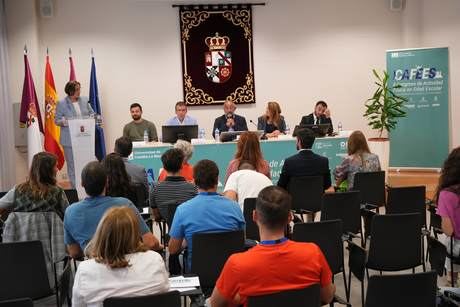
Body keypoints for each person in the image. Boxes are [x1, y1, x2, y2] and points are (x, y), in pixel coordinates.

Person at [210, 186, 335, 307]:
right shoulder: (313, 253)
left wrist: (241, 297)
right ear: (289, 218)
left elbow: (216, 304)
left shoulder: (237, 263)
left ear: (254, 216)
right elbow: (327, 296)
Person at [72, 206, 169, 306]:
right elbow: (165, 293)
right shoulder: (154, 260)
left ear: (102, 233)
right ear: (136, 233)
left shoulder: (86, 270)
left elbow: (78, 305)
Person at [63, 161, 161, 259]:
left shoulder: (70, 212)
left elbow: (74, 253)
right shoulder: (124, 205)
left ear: (82, 184)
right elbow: (151, 243)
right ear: (107, 182)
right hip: (126, 265)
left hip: (95, 268)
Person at [168, 159, 245, 272]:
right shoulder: (235, 207)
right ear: (217, 180)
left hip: (197, 274)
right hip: (231, 272)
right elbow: (241, 240)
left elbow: (173, 249)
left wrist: (186, 241)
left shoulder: (183, 210)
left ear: (194, 181)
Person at [0, 152, 69, 220]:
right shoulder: (58, 192)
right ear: (47, 170)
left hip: (21, 231)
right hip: (51, 231)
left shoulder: (18, 190)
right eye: (55, 166)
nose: (57, 170)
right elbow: (69, 215)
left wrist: (5, 227)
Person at [55, 81, 95, 188]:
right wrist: (68, 122)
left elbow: (92, 114)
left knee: (85, 163)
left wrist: (93, 117)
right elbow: (57, 120)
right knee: (72, 166)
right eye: (76, 89)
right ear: (70, 91)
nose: (79, 92)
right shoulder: (61, 103)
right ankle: (75, 189)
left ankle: (88, 187)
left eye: (79, 89)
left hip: (84, 138)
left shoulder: (85, 100)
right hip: (69, 140)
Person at [150, 148, 197, 221]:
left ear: (164, 167)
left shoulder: (154, 188)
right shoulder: (193, 188)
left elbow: (156, 216)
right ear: (182, 165)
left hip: (168, 225)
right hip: (188, 226)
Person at [436, 147, 460, 286]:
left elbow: (449, 231)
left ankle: (452, 281)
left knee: (447, 241)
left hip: (457, 246)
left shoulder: (446, 194)